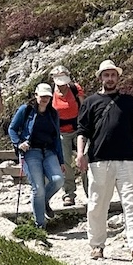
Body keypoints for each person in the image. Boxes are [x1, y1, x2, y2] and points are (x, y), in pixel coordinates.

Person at [76, 59, 133, 264]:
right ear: (100, 78)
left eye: (113, 75)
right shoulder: (90, 102)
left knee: (132, 204)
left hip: (127, 160)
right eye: (106, 75)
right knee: (97, 205)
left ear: (118, 77)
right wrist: (80, 154)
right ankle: (96, 246)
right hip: (99, 160)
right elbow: (82, 131)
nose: (110, 79)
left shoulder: (128, 101)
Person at [8, 82, 66, 229]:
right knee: (38, 188)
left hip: (49, 151)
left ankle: (43, 201)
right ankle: (40, 225)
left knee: (58, 180)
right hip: (30, 152)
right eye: (42, 96)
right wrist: (18, 143)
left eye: (48, 96)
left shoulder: (53, 113)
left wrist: (61, 160)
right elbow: (12, 129)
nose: (45, 99)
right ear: (36, 95)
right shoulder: (25, 110)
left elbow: (57, 137)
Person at [50, 66, 84, 206]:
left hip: (78, 130)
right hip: (61, 132)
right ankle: (69, 194)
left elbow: (84, 108)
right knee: (65, 163)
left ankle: (91, 193)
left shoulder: (75, 89)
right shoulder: (50, 93)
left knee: (84, 159)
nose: (62, 85)